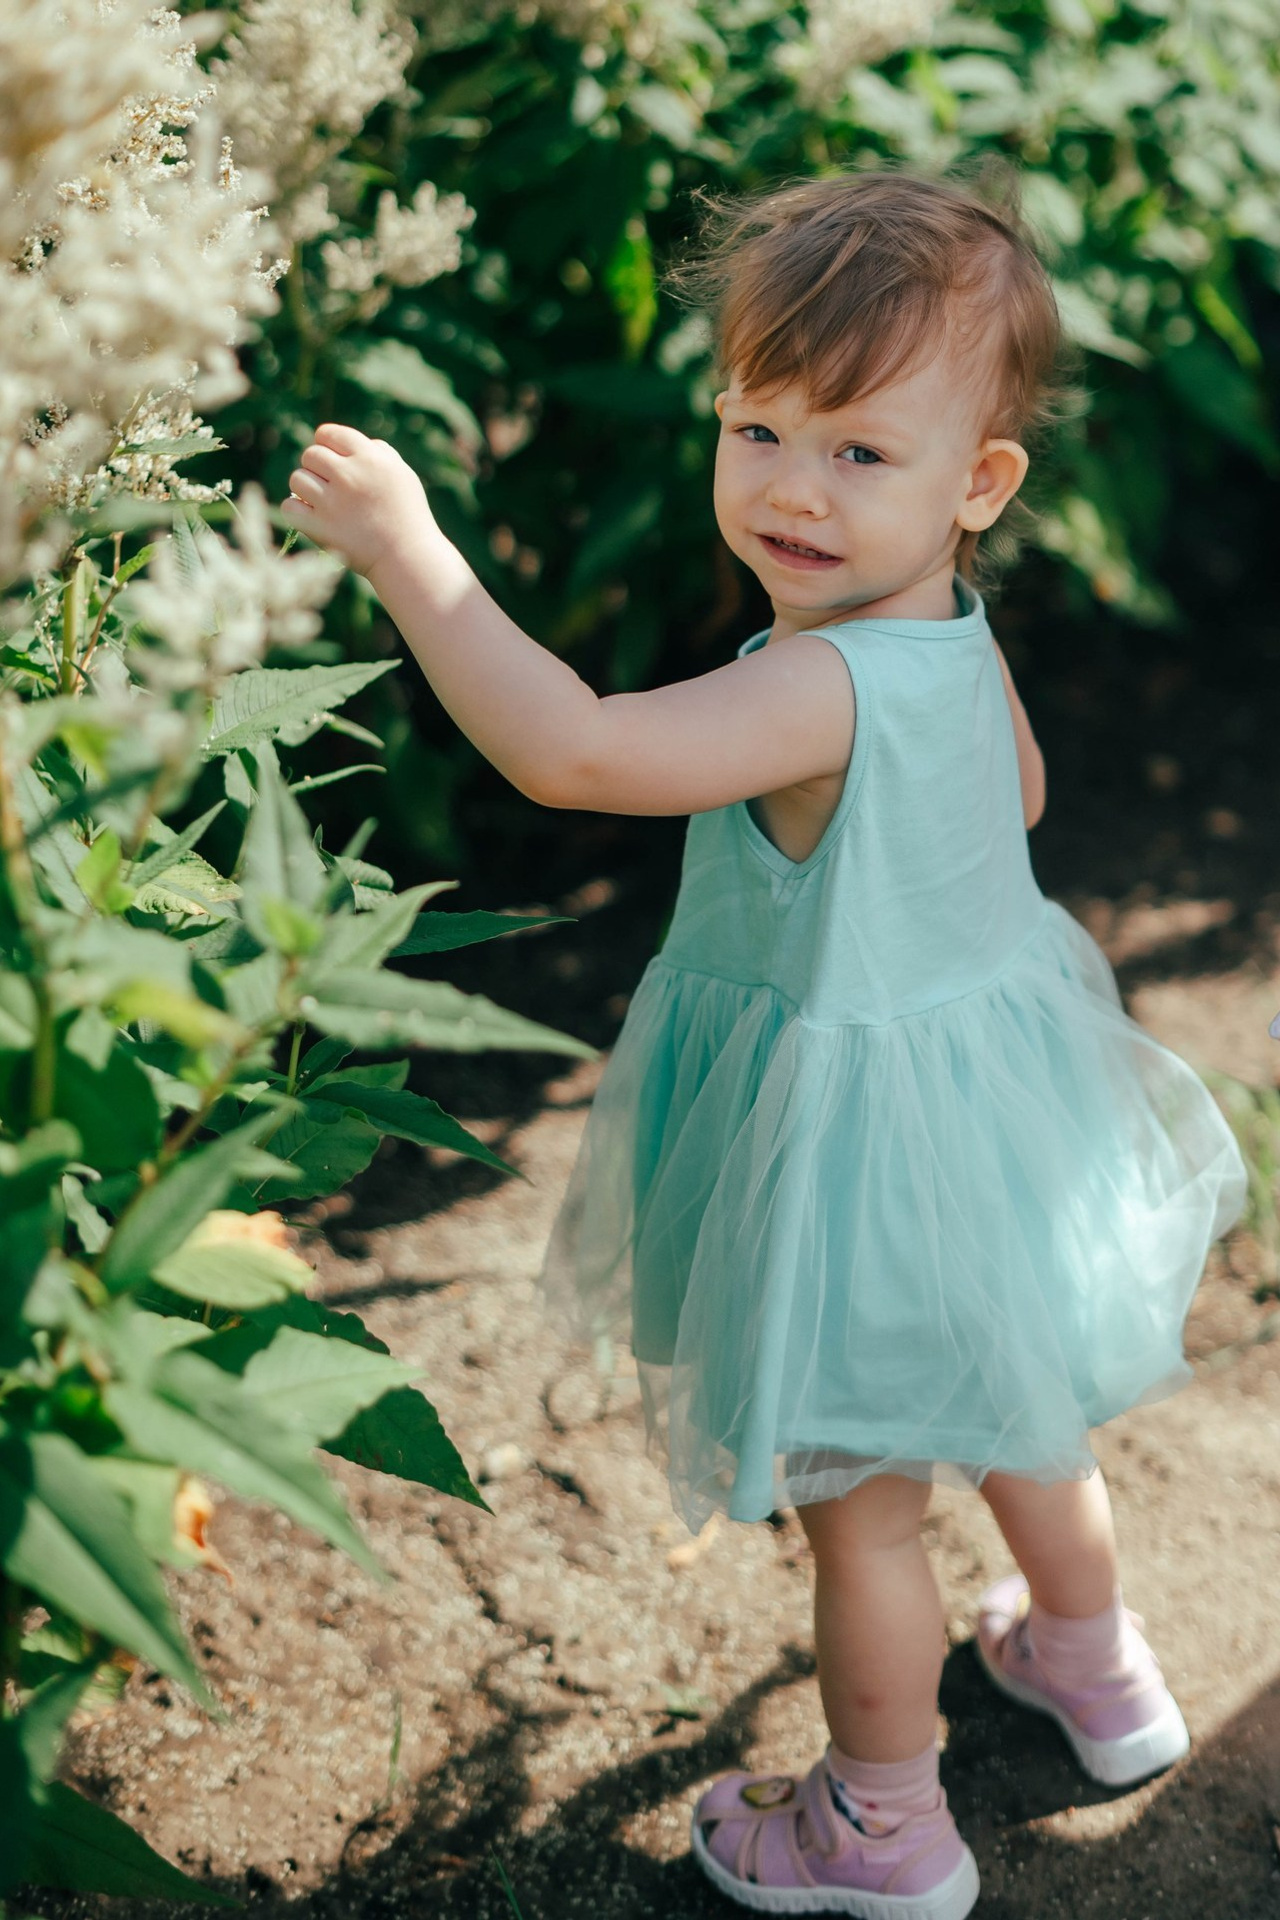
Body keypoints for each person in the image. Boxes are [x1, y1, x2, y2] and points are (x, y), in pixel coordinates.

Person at [281, 161, 1247, 1920]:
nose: (796, 489)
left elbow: (570, 752)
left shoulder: (811, 685)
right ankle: (1098, 1680)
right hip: (995, 1107)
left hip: (858, 1148)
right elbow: (1017, 793)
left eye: (860, 452)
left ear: (981, 485)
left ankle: (881, 1825)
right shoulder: (953, 627)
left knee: (864, 1510)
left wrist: (410, 555)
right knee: (1029, 1420)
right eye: (760, 430)